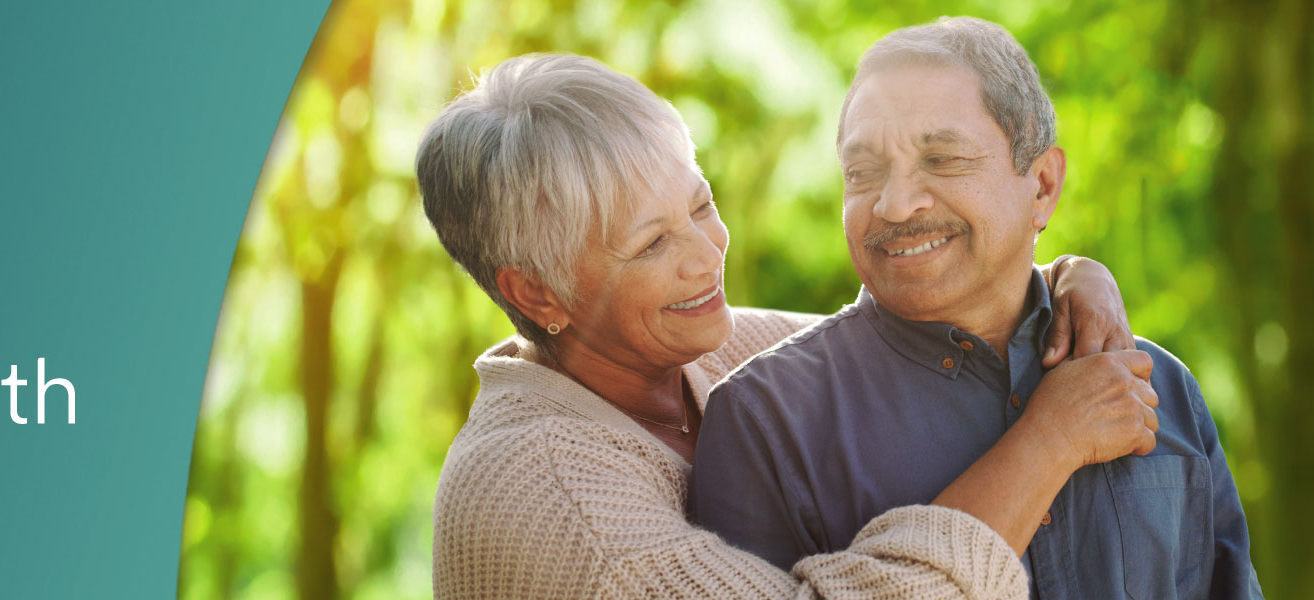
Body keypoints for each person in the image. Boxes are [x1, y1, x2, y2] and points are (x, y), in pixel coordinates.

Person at [421, 52, 1158, 598]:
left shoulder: (713, 348)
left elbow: (918, 328)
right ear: (539, 295)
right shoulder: (545, 496)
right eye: (652, 245)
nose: (709, 253)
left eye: (702, 206)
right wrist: (1051, 440)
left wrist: (1064, 274)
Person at [687, 17, 1261, 599]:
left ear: (1042, 186)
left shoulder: (1160, 384)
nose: (895, 203)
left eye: (942, 159)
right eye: (863, 172)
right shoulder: (765, 423)